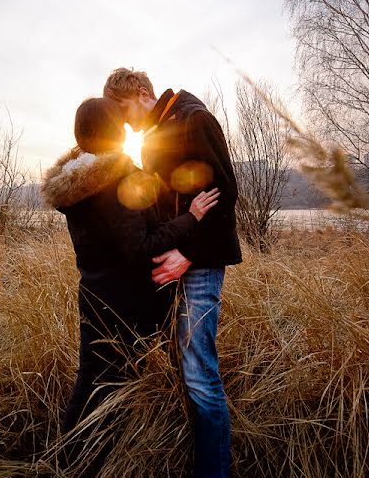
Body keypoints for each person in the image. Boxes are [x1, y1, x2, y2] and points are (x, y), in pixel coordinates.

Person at [42, 97, 220, 474]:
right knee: (113, 384)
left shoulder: (75, 185)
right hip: (128, 303)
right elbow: (142, 247)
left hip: (93, 296)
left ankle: (67, 459)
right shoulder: (119, 180)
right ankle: (92, 461)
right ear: (116, 131)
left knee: (91, 376)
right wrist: (191, 217)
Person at [104, 68, 242, 478]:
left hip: (198, 264)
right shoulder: (153, 136)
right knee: (182, 368)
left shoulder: (193, 118)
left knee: (200, 376)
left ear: (143, 92)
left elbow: (224, 195)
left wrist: (186, 252)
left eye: (126, 111)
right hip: (172, 264)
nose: (125, 124)